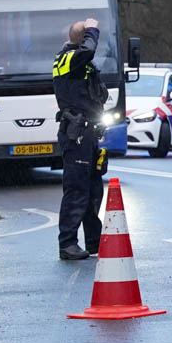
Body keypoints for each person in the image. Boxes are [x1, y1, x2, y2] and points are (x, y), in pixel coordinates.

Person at [53, 17, 108, 261]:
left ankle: (94, 241)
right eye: (88, 36)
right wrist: (92, 30)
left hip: (89, 134)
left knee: (93, 190)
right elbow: (88, 51)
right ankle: (67, 244)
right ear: (82, 38)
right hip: (76, 135)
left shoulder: (81, 62)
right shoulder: (66, 59)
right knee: (76, 190)